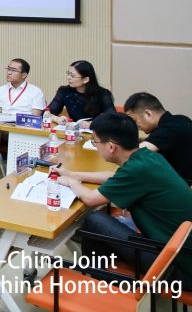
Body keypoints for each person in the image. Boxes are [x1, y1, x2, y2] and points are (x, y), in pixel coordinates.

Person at [56, 112, 192, 288]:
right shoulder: (147, 157)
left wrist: (72, 182)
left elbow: (90, 198)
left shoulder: (137, 169)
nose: (95, 146)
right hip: (179, 251)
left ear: (111, 147)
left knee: (95, 220)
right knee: (102, 225)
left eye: (95, 142)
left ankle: (100, 284)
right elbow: (114, 177)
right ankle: (102, 278)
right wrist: (75, 175)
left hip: (177, 267)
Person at [123, 92, 192, 183]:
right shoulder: (181, 119)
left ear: (148, 114)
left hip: (182, 186)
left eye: (134, 120)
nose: (136, 126)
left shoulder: (170, 128)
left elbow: (134, 155)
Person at [47, 60, 114, 128]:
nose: (68, 77)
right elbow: (47, 112)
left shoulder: (103, 94)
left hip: (96, 131)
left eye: (72, 75)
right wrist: (57, 119)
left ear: (85, 79)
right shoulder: (64, 91)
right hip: (74, 131)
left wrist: (92, 123)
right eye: (68, 73)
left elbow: (113, 118)